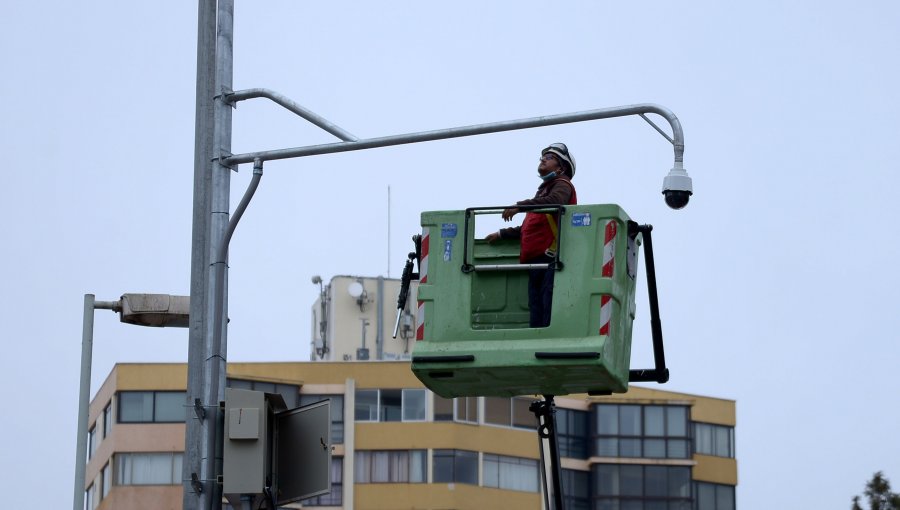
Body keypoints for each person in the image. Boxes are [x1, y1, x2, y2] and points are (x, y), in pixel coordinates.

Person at [485, 143, 577, 328]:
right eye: (542, 157)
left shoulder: (562, 185)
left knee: (547, 301)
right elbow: (530, 227)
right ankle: (537, 338)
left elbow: (555, 201)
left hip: (550, 258)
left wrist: (520, 205)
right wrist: (502, 234)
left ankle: (546, 340)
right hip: (536, 260)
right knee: (535, 305)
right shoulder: (543, 192)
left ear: (561, 167)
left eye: (550, 157)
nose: (543, 159)